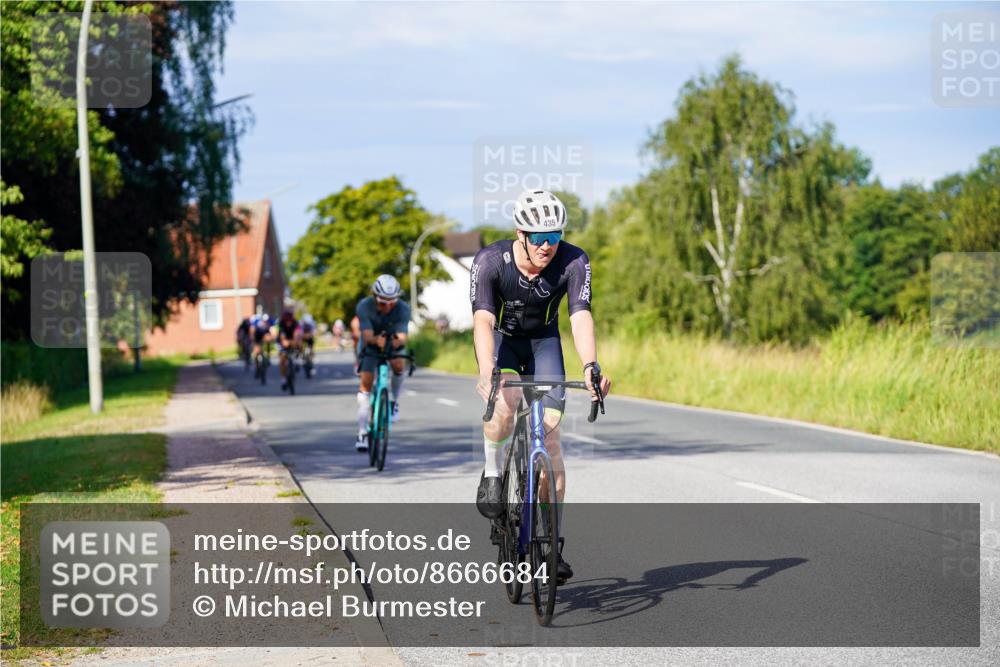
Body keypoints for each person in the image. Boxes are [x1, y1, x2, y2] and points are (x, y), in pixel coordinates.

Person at [470, 188, 611, 583]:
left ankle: (550, 547)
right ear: (521, 234)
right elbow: (482, 320)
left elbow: (580, 316)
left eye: (555, 236)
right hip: (503, 343)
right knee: (507, 400)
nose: (548, 246)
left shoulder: (574, 260)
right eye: (539, 238)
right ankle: (493, 472)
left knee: (551, 445)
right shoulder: (490, 262)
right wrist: (487, 370)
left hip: (545, 344)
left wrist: (590, 365)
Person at [354, 275, 411, 452]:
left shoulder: (403, 308)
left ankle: (393, 400)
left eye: (391, 302)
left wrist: (392, 341)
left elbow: (402, 337)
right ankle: (362, 432)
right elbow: (367, 336)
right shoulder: (364, 306)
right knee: (366, 383)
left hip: (392, 343)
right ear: (375, 297)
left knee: (400, 364)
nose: (387, 306)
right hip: (370, 344)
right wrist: (377, 340)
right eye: (382, 302)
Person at [276, 308, 302, 391]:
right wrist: (286, 342)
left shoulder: (295, 323)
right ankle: (283, 379)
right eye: (287, 320)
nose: (289, 322)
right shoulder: (281, 324)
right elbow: (282, 339)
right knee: (282, 358)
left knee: (299, 343)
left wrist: (296, 342)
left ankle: (297, 359)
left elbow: (297, 334)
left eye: (290, 320)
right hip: (282, 341)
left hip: (292, 338)